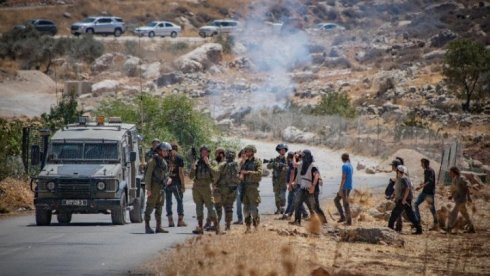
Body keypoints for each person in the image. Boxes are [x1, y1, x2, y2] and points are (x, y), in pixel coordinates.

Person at [290, 150, 326, 226]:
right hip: (303, 188)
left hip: (312, 190)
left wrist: (313, 186)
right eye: (302, 156)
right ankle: (297, 221)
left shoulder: (313, 166)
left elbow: (316, 175)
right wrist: (294, 156)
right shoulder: (302, 164)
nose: (303, 157)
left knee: (315, 207)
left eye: (304, 156)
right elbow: (294, 165)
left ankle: (324, 222)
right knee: (297, 203)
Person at [190, 145, 219, 235]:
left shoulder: (212, 162)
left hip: (206, 187)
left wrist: (208, 164)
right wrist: (193, 168)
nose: (203, 153)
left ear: (208, 153)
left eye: (205, 151)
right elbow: (191, 177)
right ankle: (200, 227)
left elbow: (216, 174)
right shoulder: (197, 162)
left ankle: (217, 227)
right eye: (202, 151)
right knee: (198, 207)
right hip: (197, 187)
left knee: (210, 207)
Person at [144, 142, 172, 234]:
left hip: (161, 187)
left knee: (159, 206)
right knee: (150, 206)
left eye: (167, 151)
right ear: (160, 151)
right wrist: (148, 189)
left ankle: (158, 226)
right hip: (154, 186)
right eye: (165, 150)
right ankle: (147, 226)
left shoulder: (163, 161)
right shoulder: (153, 161)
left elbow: (165, 174)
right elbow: (148, 175)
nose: (167, 152)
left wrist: (168, 179)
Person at [388, 165, 422, 234]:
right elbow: (398, 188)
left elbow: (407, 188)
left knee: (394, 214)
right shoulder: (401, 178)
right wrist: (393, 195)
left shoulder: (403, 178)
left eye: (396, 171)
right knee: (411, 215)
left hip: (403, 200)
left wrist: (404, 199)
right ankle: (419, 229)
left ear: (398, 171)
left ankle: (389, 228)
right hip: (405, 200)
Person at [214, 149, 241, 231]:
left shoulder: (222, 164)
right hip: (232, 190)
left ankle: (217, 225)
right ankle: (228, 226)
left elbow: (216, 175)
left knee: (218, 207)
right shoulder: (237, 165)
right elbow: (239, 177)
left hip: (222, 189)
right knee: (229, 208)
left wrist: (214, 184)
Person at [240, 145, 263, 233]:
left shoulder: (257, 161)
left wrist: (248, 172)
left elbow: (260, 173)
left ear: (253, 152)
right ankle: (248, 227)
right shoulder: (245, 162)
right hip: (245, 187)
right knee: (245, 209)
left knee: (253, 209)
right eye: (246, 151)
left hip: (253, 188)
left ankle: (256, 227)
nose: (247, 153)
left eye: (249, 151)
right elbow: (240, 173)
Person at [446, 167, 475, 233]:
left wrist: (469, 197)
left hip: (461, 199)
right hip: (458, 199)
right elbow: (455, 189)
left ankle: (449, 228)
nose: (450, 173)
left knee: (453, 213)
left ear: (454, 172)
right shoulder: (455, 179)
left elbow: (467, 187)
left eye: (451, 172)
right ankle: (472, 228)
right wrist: (451, 195)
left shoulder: (461, 178)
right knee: (465, 214)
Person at [165, 144, 186, 227]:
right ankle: (180, 221)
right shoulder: (179, 158)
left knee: (168, 202)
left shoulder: (165, 157)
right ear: (177, 149)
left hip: (167, 183)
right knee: (179, 201)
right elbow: (181, 173)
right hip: (176, 183)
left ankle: (170, 221)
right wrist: (183, 185)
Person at [282, 152, 308, 220]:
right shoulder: (298, 163)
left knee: (292, 200)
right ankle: (303, 213)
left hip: (294, 184)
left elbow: (292, 174)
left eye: (288, 157)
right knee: (295, 199)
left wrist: (290, 185)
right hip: (296, 183)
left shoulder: (293, 164)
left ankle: (288, 214)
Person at [205, 147, 226, 231]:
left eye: (218, 153)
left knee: (217, 207)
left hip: (220, 188)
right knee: (212, 206)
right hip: (215, 187)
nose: (217, 155)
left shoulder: (224, 164)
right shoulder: (216, 162)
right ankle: (209, 223)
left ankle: (215, 225)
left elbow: (217, 174)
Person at [414, 158, 438, 230]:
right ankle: (418, 221)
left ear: (424, 163)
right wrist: (422, 185)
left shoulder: (430, 171)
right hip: (424, 192)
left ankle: (436, 223)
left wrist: (421, 186)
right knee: (415, 204)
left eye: (422, 163)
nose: (421, 165)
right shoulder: (427, 170)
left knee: (432, 209)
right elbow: (426, 181)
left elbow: (430, 181)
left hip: (429, 193)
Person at [267, 143, 288, 214]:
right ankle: (278, 209)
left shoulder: (287, 160)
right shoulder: (275, 159)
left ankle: (282, 208)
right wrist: (273, 164)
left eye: (284, 150)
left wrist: (283, 167)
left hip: (283, 181)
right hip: (276, 181)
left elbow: (289, 168)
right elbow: (268, 166)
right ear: (279, 151)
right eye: (281, 150)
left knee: (282, 196)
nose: (282, 151)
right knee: (276, 196)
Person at [334, 153, 353, 225]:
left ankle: (348, 221)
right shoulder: (350, 165)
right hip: (349, 186)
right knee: (336, 200)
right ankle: (343, 217)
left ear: (342, 159)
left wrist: (340, 189)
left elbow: (343, 178)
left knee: (345, 204)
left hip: (345, 187)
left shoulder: (344, 166)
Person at [233, 149, 245, 225]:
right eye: (242, 154)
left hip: (248, 184)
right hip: (239, 184)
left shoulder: (251, 162)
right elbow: (235, 173)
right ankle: (240, 219)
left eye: (245, 154)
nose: (244, 155)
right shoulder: (237, 163)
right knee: (238, 202)